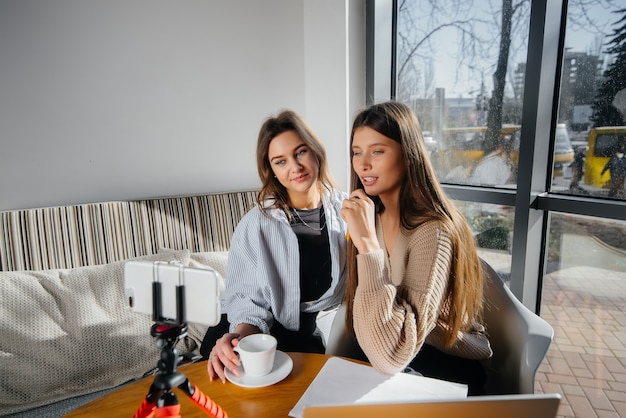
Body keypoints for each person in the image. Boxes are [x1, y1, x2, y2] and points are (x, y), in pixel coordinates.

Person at [340, 101, 492, 395]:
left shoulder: (434, 231)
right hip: (392, 353)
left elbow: (391, 355)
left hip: (444, 366)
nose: (363, 164)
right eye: (357, 152)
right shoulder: (374, 220)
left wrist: (368, 247)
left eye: (377, 151)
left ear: (408, 155)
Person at [204, 110, 348, 383]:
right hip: (258, 330)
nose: (295, 166)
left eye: (300, 152)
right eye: (280, 161)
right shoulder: (255, 223)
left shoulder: (348, 212)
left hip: (316, 334)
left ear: (315, 151)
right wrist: (240, 340)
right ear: (271, 170)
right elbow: (248, 300)